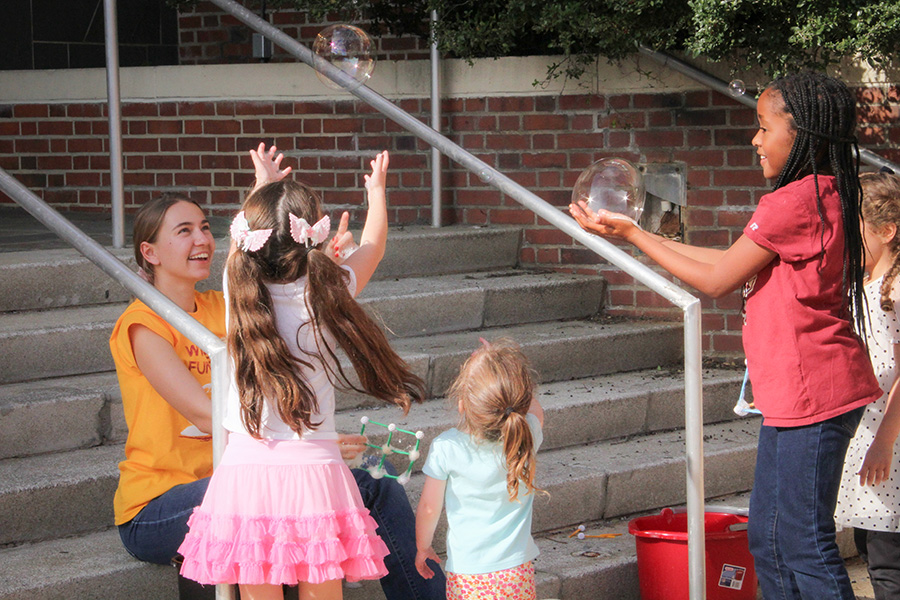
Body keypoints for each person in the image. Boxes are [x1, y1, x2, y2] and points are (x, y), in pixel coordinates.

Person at [569, 71, 882, 599]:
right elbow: (730, 263)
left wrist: (633, 235)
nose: (754, 140)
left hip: (815, 397)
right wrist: (635, 235)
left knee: (803, 543)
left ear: (802, 131)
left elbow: (716, 280)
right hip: (799, 396)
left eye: (763, 128)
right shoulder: (825, 192)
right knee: (768, 538)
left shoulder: (793, 201)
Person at [109, 144, 446, 600]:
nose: (202, 239)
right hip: (167, 494)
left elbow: (247, 256)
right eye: (184, 230)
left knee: (374, 489)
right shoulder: (144, 325)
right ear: (149, 251)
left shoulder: (231, 297)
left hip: (245, 470)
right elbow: (212, 417)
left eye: (206, 228)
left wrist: (293, 231)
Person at [415, 338, 545, 600]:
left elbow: (429, 508)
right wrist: (506, 371)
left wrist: (423, 547)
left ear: (463, 402)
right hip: (516, 571)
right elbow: (533, 408)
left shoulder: (447, 447)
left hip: (468, 576)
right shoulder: (526, 434)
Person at [835, 171, 900, 600]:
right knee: (867, 544)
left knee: (886, 557)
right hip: (868, 435)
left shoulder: (897, 287)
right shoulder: (868, 283)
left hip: (889, 441)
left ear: (887, 230)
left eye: (852, 232)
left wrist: (885, 439)